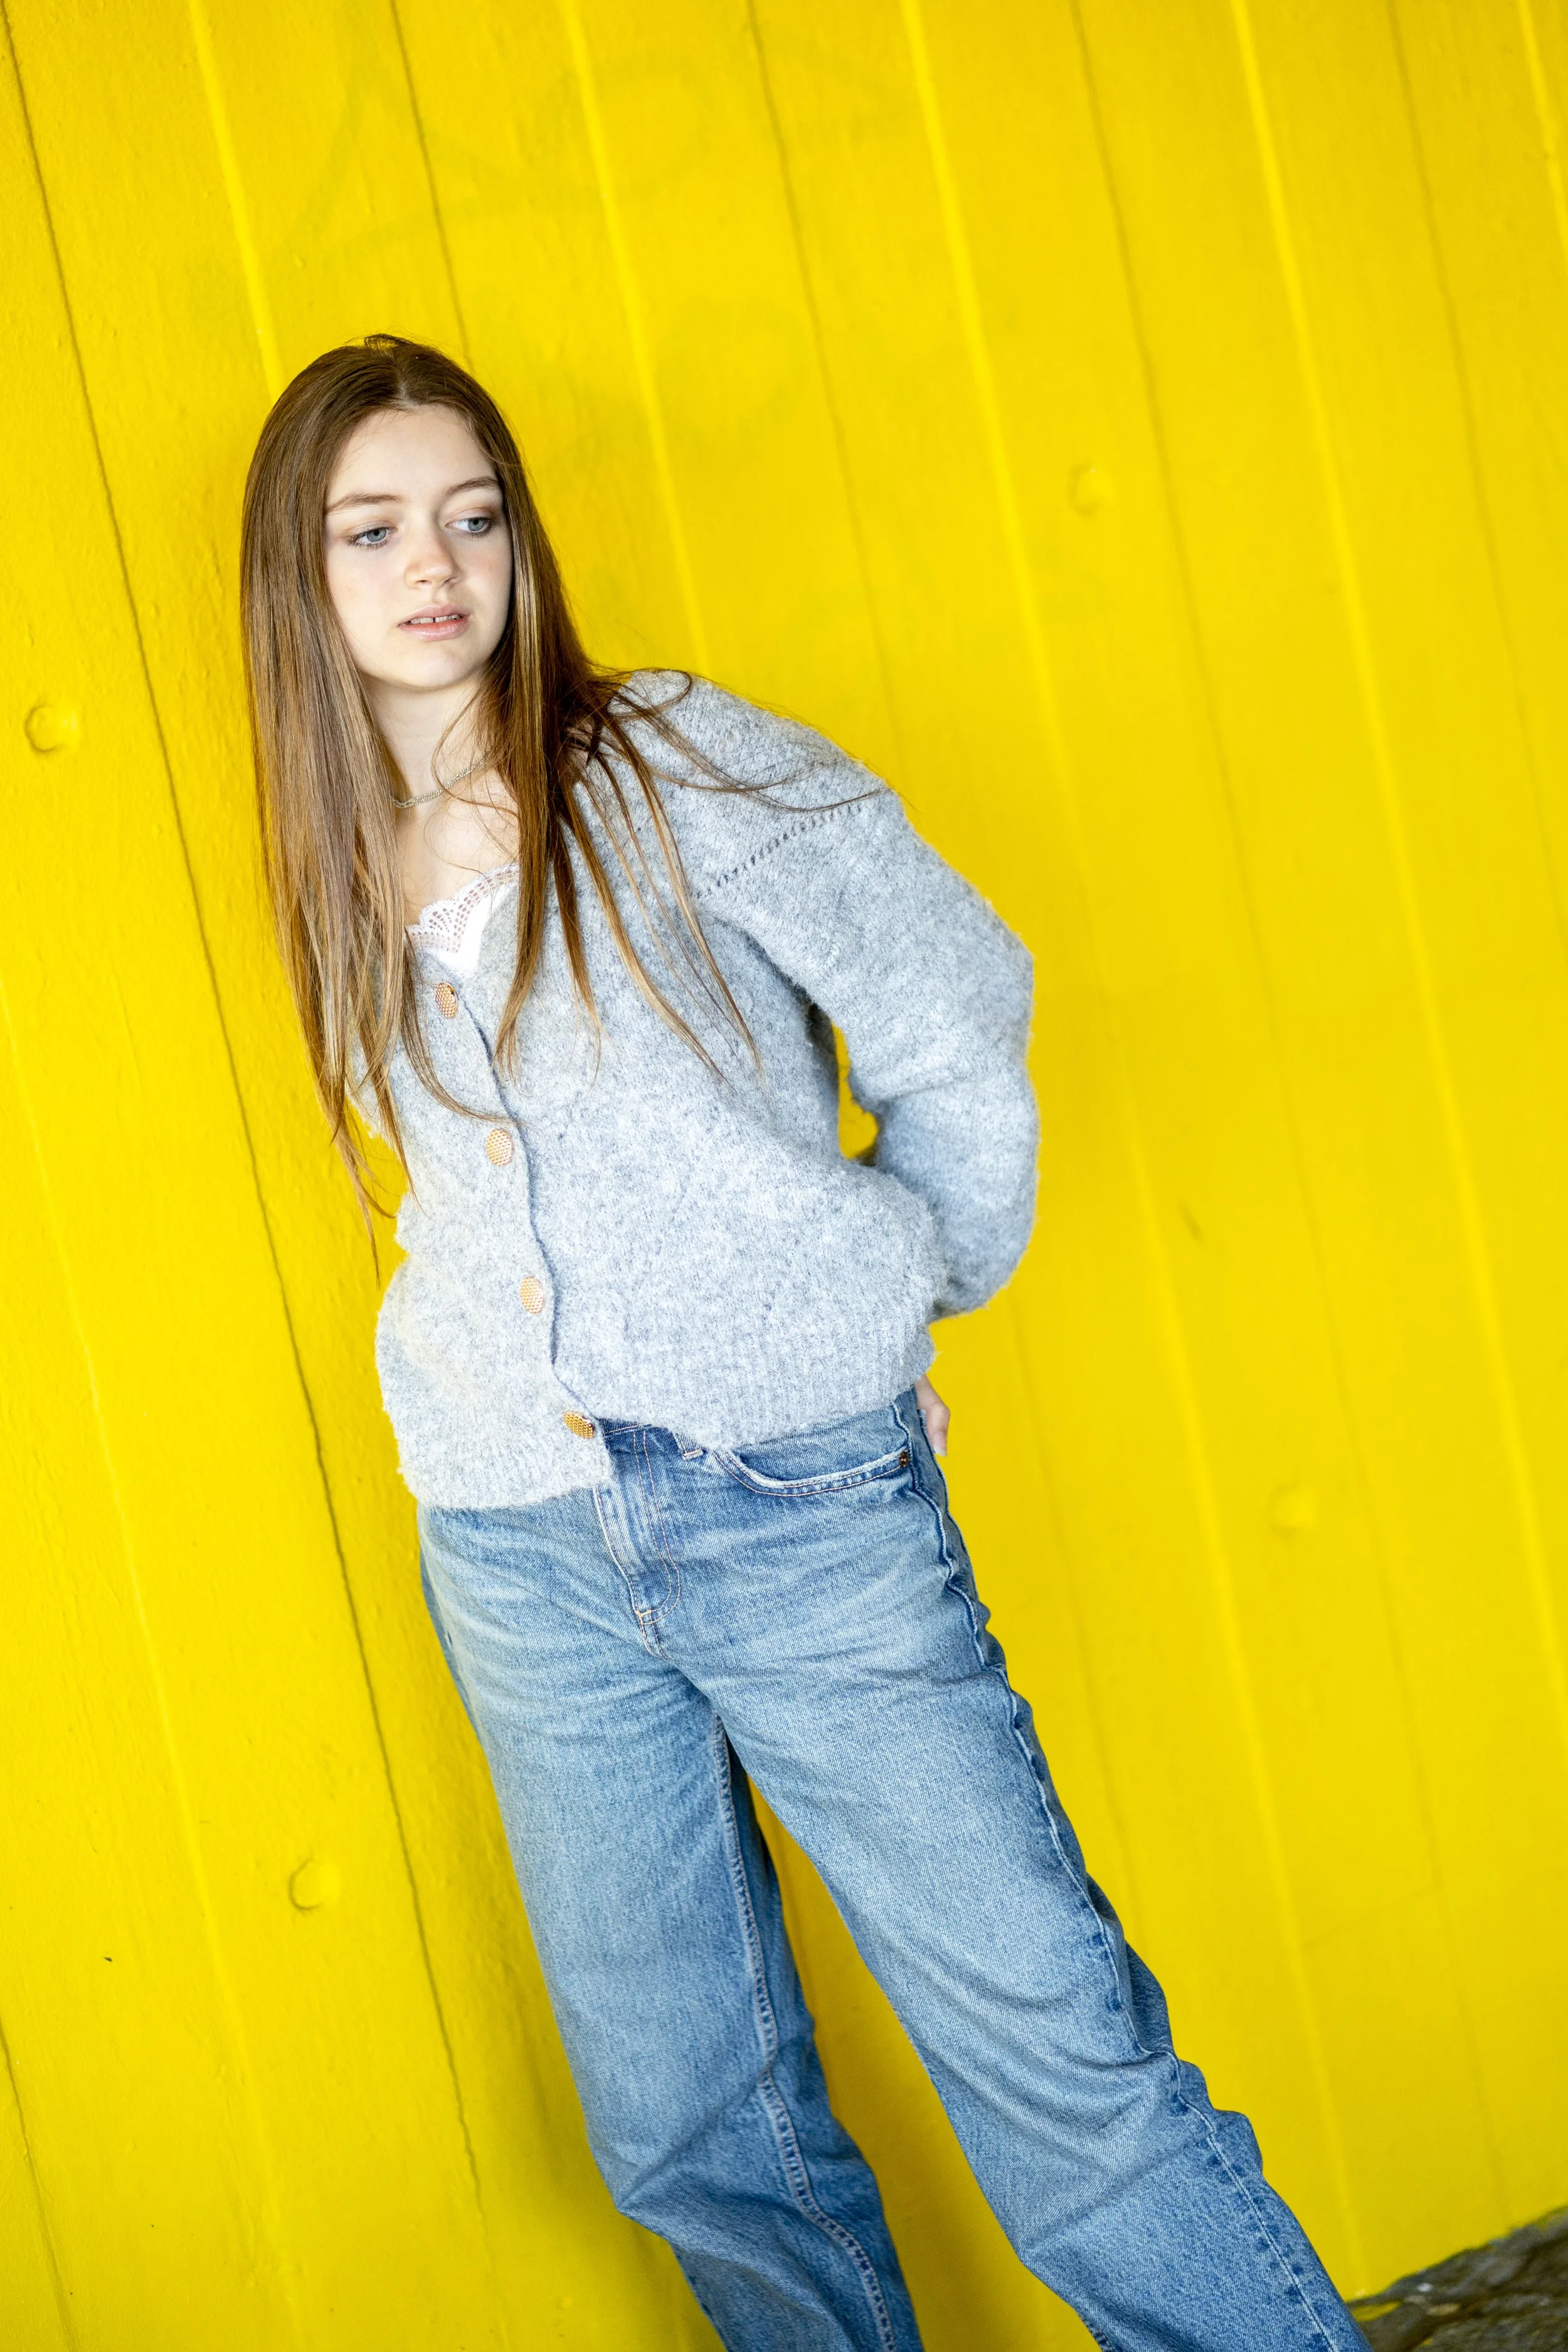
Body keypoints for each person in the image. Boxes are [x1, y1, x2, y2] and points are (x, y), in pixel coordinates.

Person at [241, 334, 1365, 2352]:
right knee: (689, 2125)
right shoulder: (334, 861)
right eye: (373, 529)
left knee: (1065, 2081)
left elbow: (954, 1002)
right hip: (514, 1543)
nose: (436, 567)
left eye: (474, 516)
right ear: (295, 578)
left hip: (795, 1506)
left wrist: (899, 1291)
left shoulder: (668, 762)